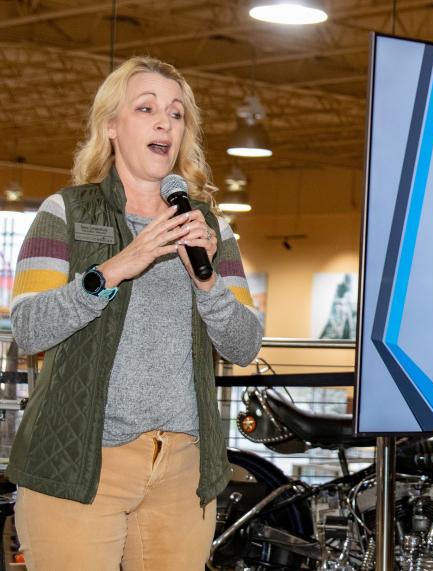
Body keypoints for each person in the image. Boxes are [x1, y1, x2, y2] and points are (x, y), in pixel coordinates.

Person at [6, 56, 263, 569]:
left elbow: (244, 345)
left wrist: (208, 282)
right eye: (146, 109)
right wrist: (117, 268)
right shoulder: (65, 212)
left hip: (182, 468)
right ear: (111, 126)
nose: (164, 122)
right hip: (80, 461)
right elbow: (29, 329)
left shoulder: (211, 228)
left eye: (176, 113)